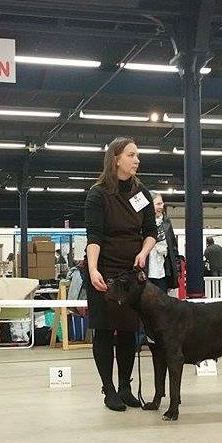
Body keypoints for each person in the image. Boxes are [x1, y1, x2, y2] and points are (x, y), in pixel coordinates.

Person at [84, 137, 157, 411]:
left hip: (132, 268)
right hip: (104, 266)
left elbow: (151, 231)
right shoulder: (98, 193)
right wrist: (92, 269)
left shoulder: (142, 193)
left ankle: (125, 386)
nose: (137, 160)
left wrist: (144, 251)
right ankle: (109, 389)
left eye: (137, 155)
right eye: (131, 155)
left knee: (128, 329)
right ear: (116, 158)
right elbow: (94, 235)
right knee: (104, 330)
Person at [147, 194, 180, 294]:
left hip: (163, 272)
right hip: (145, 272)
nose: (161, 206)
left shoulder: (166, 223)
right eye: (158, 204)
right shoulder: (141, 223)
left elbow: (173, 249)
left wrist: (174, 276)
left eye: (162, 203)